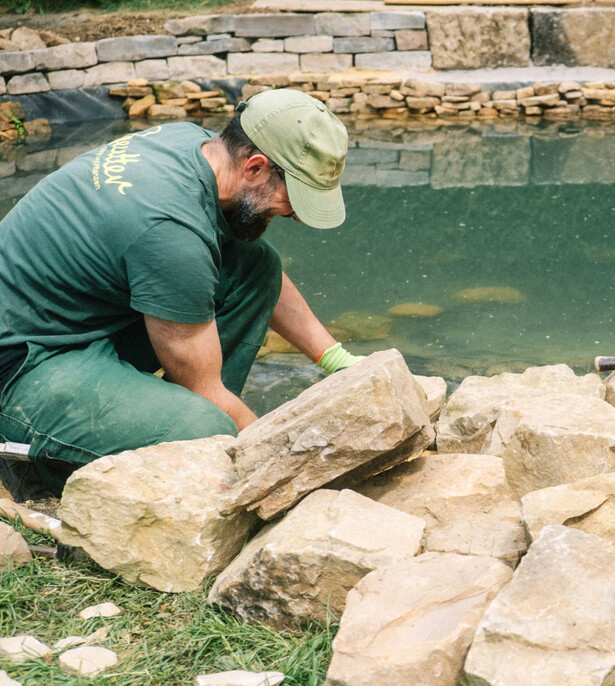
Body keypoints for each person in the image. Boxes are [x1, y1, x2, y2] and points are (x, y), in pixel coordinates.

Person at [0, 88, 363, 501]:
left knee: (257, 265)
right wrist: (283, 459)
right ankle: (39, 467)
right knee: (206, 432)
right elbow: (204, 388)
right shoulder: (170, 231)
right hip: (24, 362)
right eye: (296, 197)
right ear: (256, 166)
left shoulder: (192, 143)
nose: (296, 214)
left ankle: (157, 422)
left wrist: (339, 362)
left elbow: (262, 274)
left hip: (78, 316)